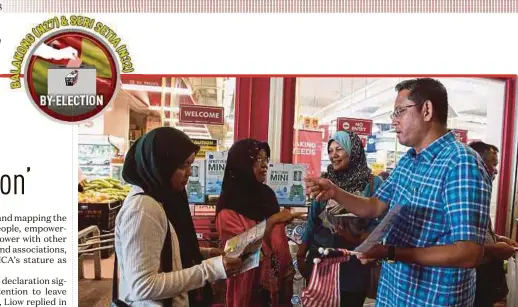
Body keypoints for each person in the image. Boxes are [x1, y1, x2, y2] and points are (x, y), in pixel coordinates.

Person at [305, 78, 492, 307]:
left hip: (432, 298)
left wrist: (391, 252)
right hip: (395, 292)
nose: (394, 122)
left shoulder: (461, 164)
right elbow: (374, 206)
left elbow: (469, 253)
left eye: (399, 112)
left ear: (426, 110)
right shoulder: (409, 161)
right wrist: (334, 191)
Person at [114, 127, 242, 307]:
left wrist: (204, 253)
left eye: (191, 164)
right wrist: (213, 269)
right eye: (183, 165)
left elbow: (162, 250)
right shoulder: (143, 210)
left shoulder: (159, 198)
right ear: (162, 165)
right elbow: (143, 286)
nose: (189, 172)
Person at [296, 130, 383, 307]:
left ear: (354, 151)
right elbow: (313, 220)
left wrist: (353, 237)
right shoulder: (325, 181)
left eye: (339, 149)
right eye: (330, 150)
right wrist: (300, 254)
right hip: (321, 262)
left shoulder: (373, 185)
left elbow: (377, 227)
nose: (333, 155)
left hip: (353, 264)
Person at [215, 138, 303, 307]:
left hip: (274, 284)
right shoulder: (228, 205)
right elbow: (237, 251)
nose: (264, 165)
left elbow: (279, 240)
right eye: (258, 159)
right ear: (242, 164)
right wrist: (271, 221)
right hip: (246, 287)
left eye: (266, 159)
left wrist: (287, 270)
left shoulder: (267, 196)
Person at [469, 141, 518, 307]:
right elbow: (454, 243)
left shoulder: (481, 192)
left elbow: (479, 230)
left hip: (485, 272)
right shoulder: (464, 194)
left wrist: (498, 238)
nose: (495, 170)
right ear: (478, 163)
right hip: (473, 273)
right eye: (492, 164)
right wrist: (493, 249)